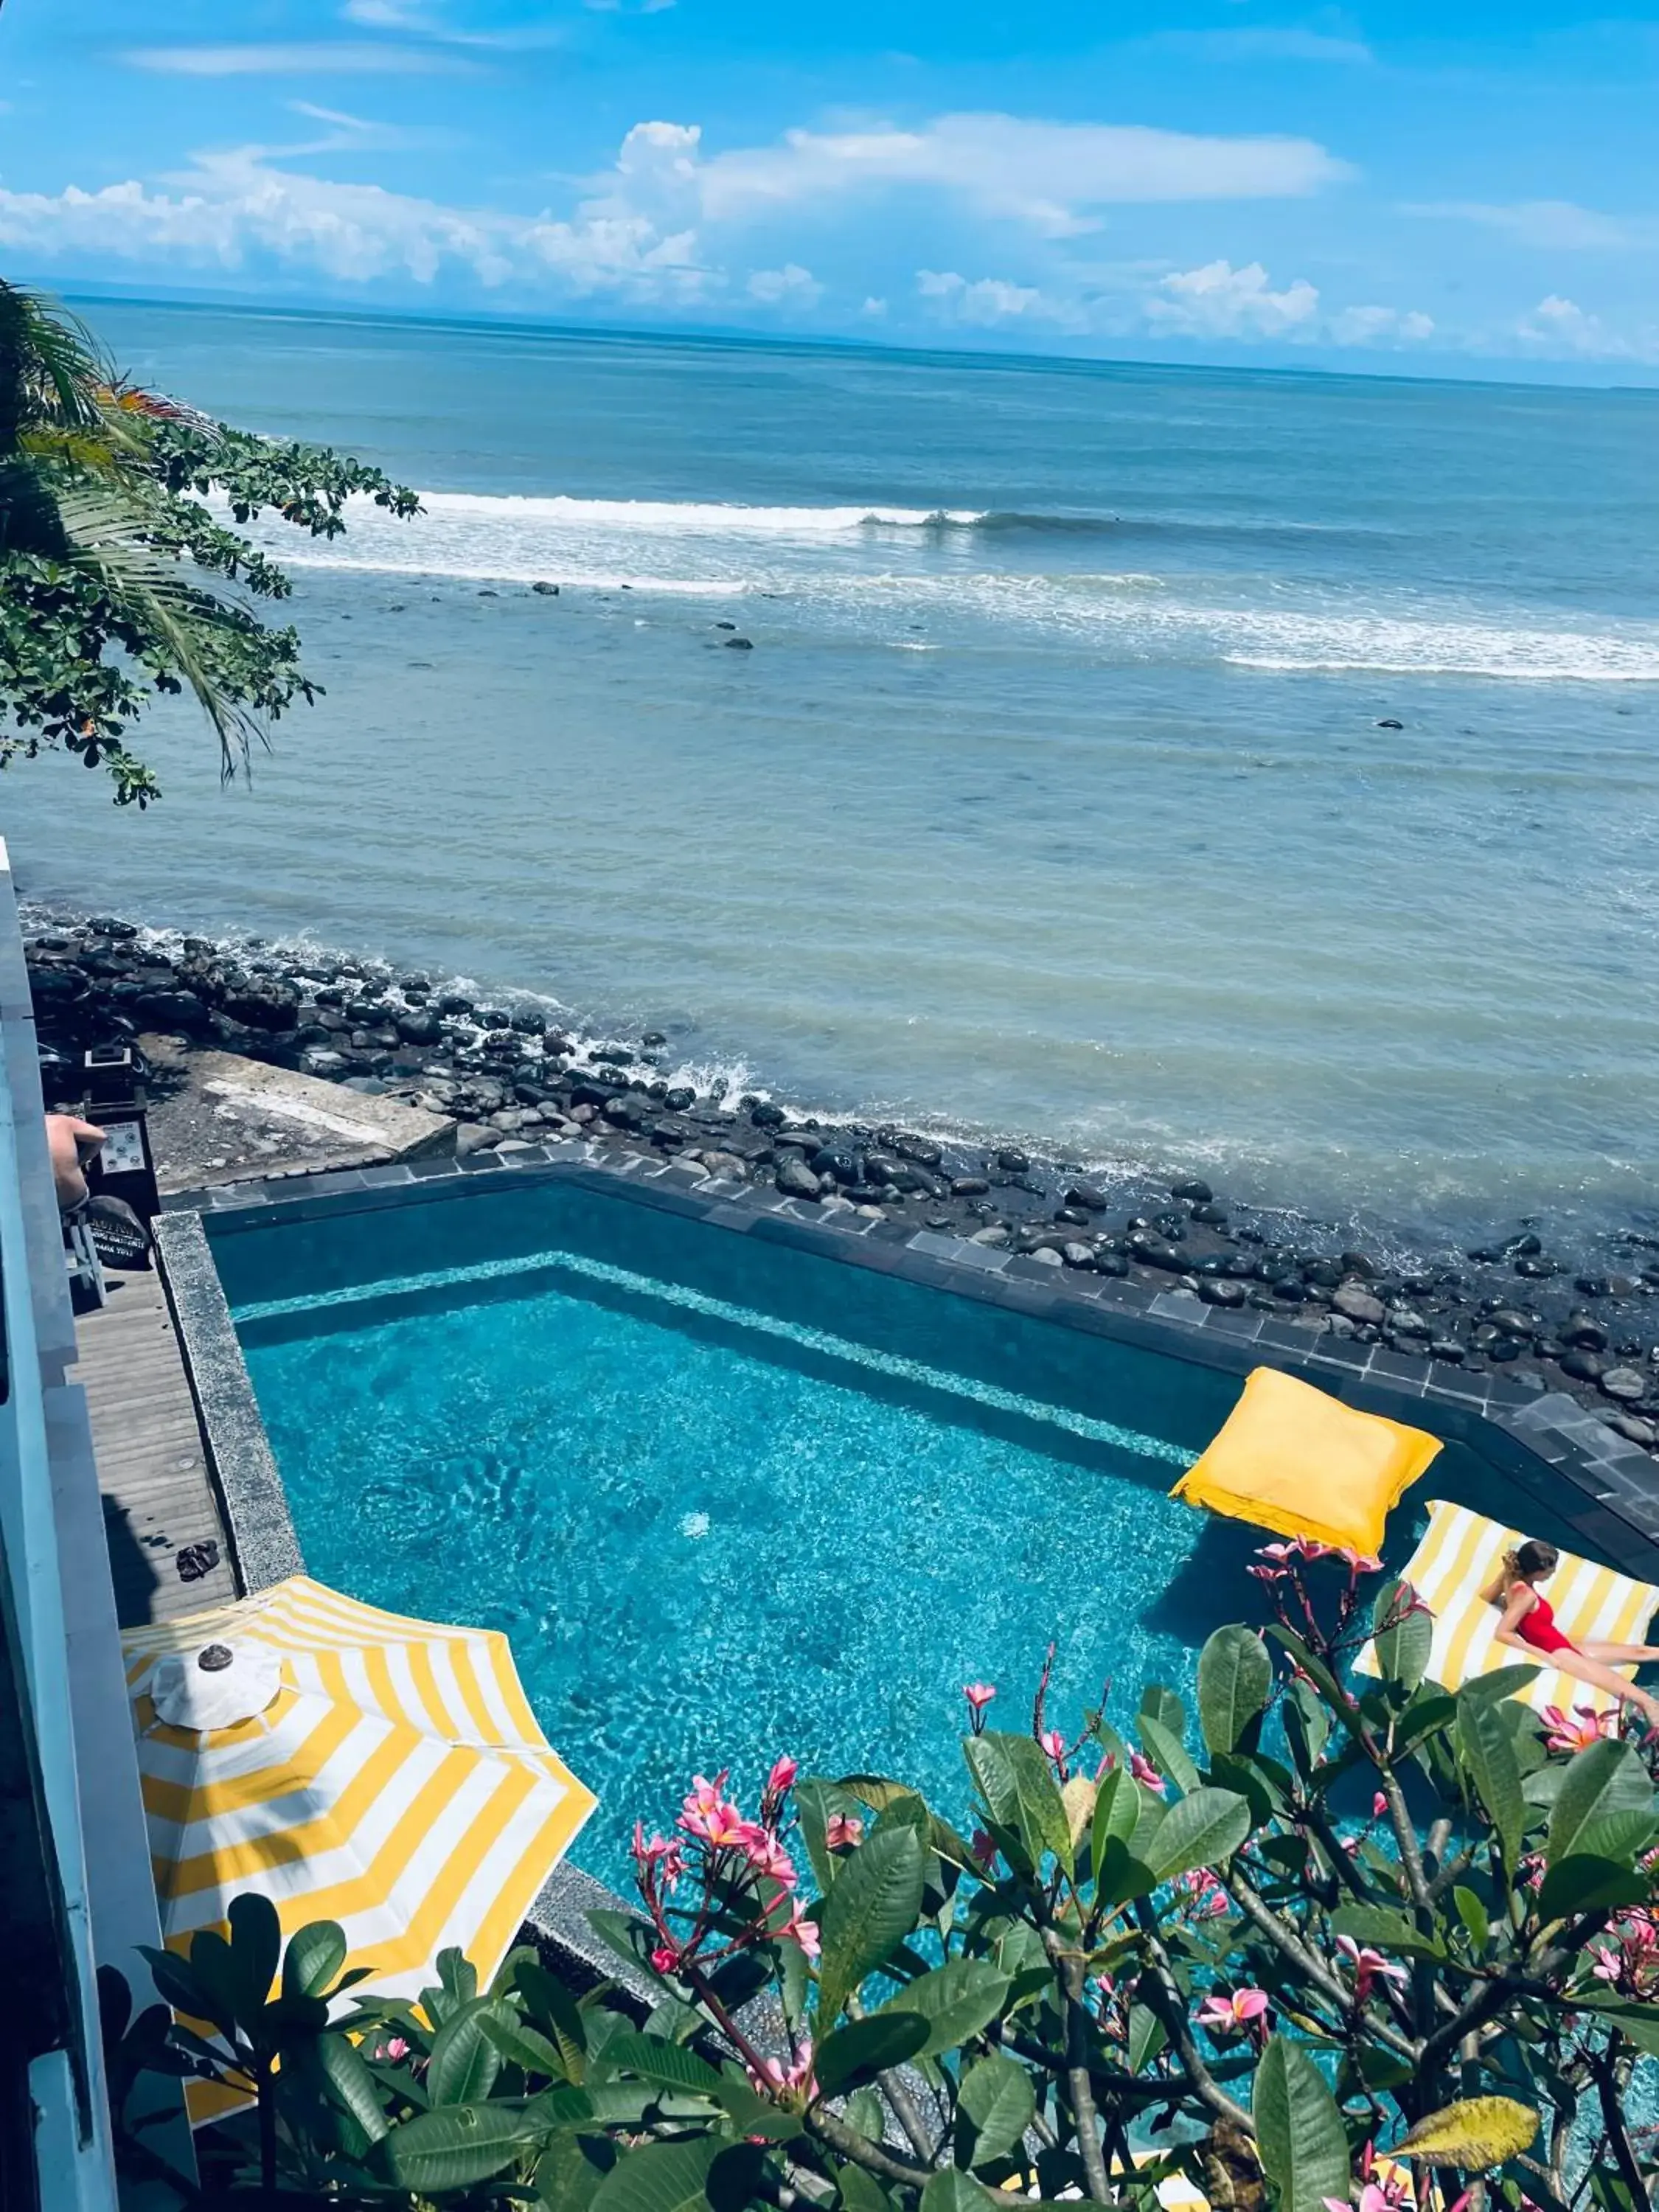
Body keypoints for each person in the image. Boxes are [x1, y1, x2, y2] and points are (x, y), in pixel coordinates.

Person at [1484, 1537, 1659, 1730]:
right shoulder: (1526, 1596)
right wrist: (1544, 1655)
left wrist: (1503, 1583)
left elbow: (1488, 1596)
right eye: (1550, 1570)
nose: (1553, 1573)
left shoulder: (1510, 1576)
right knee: (1634, 1694)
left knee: (1638, 1652)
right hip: (1559, 1652)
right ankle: (1652, 1710)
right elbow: (1503, 1633)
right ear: (1536, 1571)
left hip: (1561, 1643)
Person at [46, 1112, 105, 1214]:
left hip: (41, 1202)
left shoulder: (16, 1131)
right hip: (75, 1199)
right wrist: (82, 1160)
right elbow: (101, 1137)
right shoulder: (60, 1120)